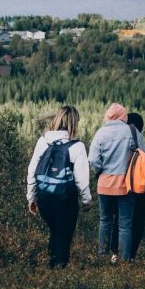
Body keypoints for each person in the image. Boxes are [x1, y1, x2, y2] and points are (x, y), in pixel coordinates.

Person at [27, 106, 92, 268]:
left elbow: (32, 171)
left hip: (44, 200)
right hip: (66, 201)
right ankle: (59, 274)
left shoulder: (43, 141)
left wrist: (31, 198)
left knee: (54, 232)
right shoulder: (77, 147)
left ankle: (51, 270)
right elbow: (81, 181)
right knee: (64, 236)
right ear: (74, 123)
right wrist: (86, 202)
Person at [89, 103, 145, 263]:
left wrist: (100, 172)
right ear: (124, 116)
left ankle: (102, 257)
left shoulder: (100, 133)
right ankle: (123, 262)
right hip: (127, 186)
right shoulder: (132, 131)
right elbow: (143, 154)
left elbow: (93, 160)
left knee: (105, 220)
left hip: (105, 184)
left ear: (107, 116)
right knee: (125, 225)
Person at [110, 112, 145, 260]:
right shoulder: (143, 147)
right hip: (138, 192)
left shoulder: (116, 145)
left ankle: (114, 254)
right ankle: (130, 257)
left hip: (117, 189)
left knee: (118, 222)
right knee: (136, 225)